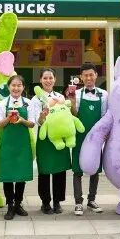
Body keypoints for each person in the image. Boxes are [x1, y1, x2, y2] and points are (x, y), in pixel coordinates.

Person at [0, 75, 38, 220]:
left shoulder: (28, 103)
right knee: (7, 176)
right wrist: (8, 118)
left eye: (19, 85)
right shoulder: (2, 103)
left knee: (21, 176)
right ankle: (10, 205)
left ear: (23, 87)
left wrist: (21, 120)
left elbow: (32, 124)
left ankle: (18, 204)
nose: (16, 88)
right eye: (13, 85)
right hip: (8, 144)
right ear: (9, 87)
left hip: (22, 144)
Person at [69, 62, 107, 216]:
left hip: (95, 138)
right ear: (81, 77)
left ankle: (92, 200)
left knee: (95, 169)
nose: (89, 78)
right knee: (77, 170)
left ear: (96, 75)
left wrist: (103, 136)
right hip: (79, 136)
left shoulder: (104, 94)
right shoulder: (76, 94)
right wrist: (72, 102)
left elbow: (104, 117)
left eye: (91, 74)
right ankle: (78, 202)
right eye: (85, 75)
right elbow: (73, 115)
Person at [31, 67, 70, 214]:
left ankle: (57, 202)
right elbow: (37, 121)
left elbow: (65, 116)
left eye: (50, 78)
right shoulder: (36, 99)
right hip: (45, 138)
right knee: (44, 171)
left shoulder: (60, 96)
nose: (48, 80)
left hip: (60, 138)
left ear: (55, 79)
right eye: (45, 78)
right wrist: (42, 116)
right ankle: (45, 202)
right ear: (40, 80)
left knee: (60, 171)